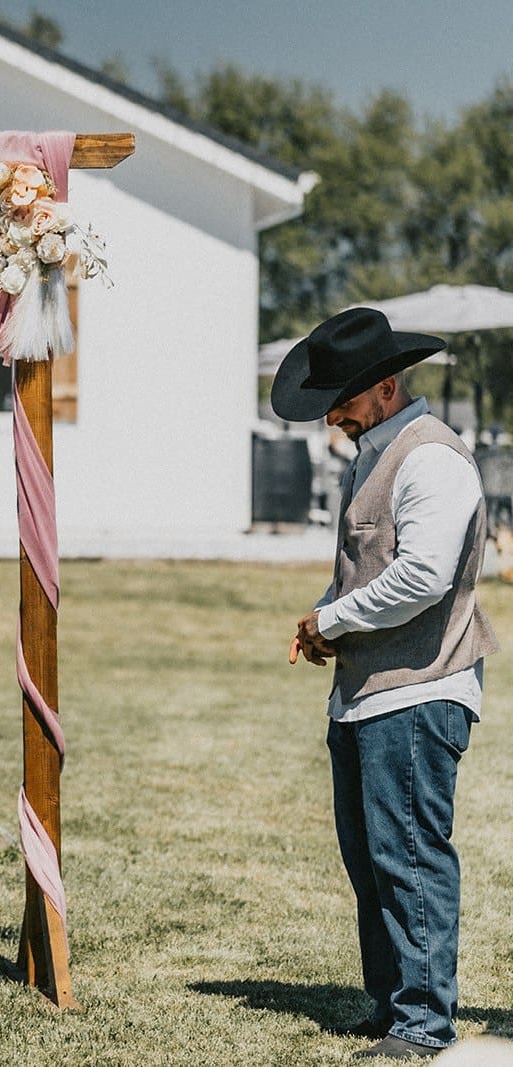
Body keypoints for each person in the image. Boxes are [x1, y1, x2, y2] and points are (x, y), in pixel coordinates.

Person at [273, 307, 498, 1061]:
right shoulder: (379, 449)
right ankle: (394, 1002)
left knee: (408, 855)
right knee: (370, 857)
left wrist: (331, 620)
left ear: (388, 388)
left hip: (419, 690)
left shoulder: (431, 457)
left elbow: (424, 577)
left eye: (341, 397)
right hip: (371, 694)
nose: (331, 413)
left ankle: (423, 1022)